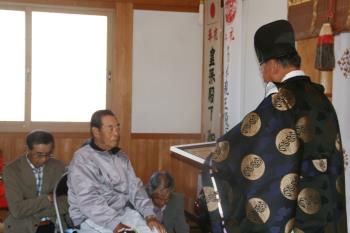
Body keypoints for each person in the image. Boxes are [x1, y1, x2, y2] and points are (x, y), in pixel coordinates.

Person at [201, 20, 348, 233]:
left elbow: (231, 154)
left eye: (262, 66)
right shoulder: (322, 99)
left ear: (273, 65)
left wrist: (214, 159)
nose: (262, 74)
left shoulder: (280, 101)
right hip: (325, 216)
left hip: (297, 218)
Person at [67, 109, 166, 233]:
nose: (116, 133)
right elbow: (89, 202)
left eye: (117, 128)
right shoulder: (83, 158)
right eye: (110, 128)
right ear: (96, 132)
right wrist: (116, 226)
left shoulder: (121, 157)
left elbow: (135, 188)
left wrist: (149, 215)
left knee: (156, 231)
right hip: (91, 218)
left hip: (121, 213)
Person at [3, 129, 67, 233]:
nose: (44, 159)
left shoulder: (58, 167)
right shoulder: (12, 170)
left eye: (48, 154)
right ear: (27, 149)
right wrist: (48, 198)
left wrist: (30, 209)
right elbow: (17, 210)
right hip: (22, 227)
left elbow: (66, 203)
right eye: (39, 154)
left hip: (53, 224)